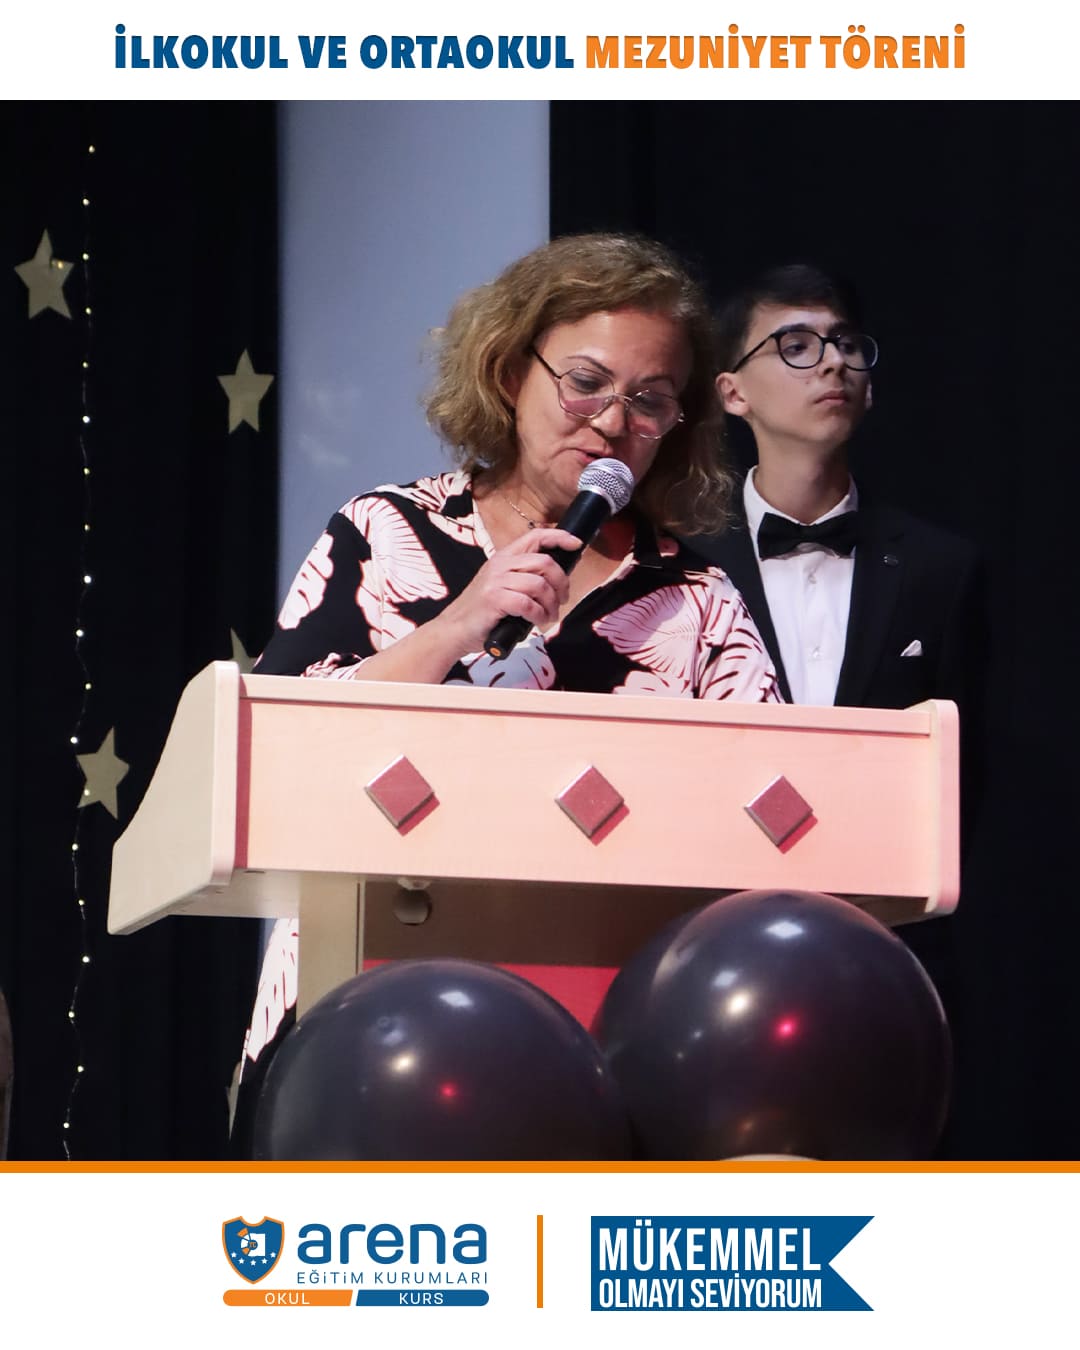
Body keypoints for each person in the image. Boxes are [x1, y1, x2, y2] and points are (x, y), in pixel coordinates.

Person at [229, 232, 780, 1154]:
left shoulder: (700, 599)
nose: (612, 423)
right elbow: (280, 743)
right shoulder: (385, 530)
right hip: (366, 1008)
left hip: (598, 1032)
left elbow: (771, 818)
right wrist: (456, 624)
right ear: (509, 372)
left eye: (649, 401)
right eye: (586, 382)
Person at [686, 261, 986, 1155]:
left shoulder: (939, 567)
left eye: (848, 345)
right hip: (711, 947)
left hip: (885, 953)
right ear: (732, 392)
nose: (833, 363)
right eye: (796, 344)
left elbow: (965, 776)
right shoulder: (680, 561)